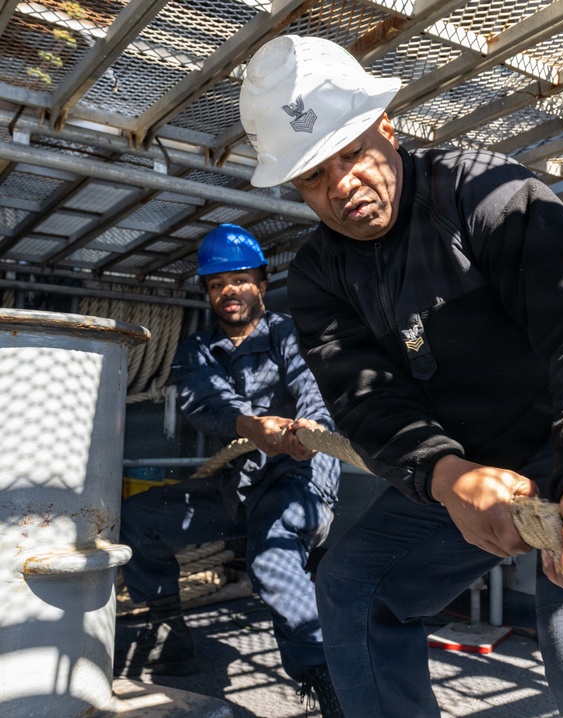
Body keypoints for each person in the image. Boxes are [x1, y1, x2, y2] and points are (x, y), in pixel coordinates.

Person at [239, 35, 563, 717]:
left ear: (387, 127)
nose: (341, 185)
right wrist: (447, 476)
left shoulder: (485, 192)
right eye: (313, 176)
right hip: (469, 465)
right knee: (356, 585)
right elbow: (365, 400)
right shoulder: (319, 274)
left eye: (351, 153)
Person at [117, 223, 345, 718]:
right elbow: (205, 400)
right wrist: (252, 426)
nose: (228, 292)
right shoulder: (195, 351)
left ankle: (333, 686)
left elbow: (314, 390)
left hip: (297, 483)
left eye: (239, 280)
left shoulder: (290, 334)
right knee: (134, 520)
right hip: (235, 489)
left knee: (273, 562)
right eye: (217, 285)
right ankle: (168, 640)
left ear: (261, 284)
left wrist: (305, 430)